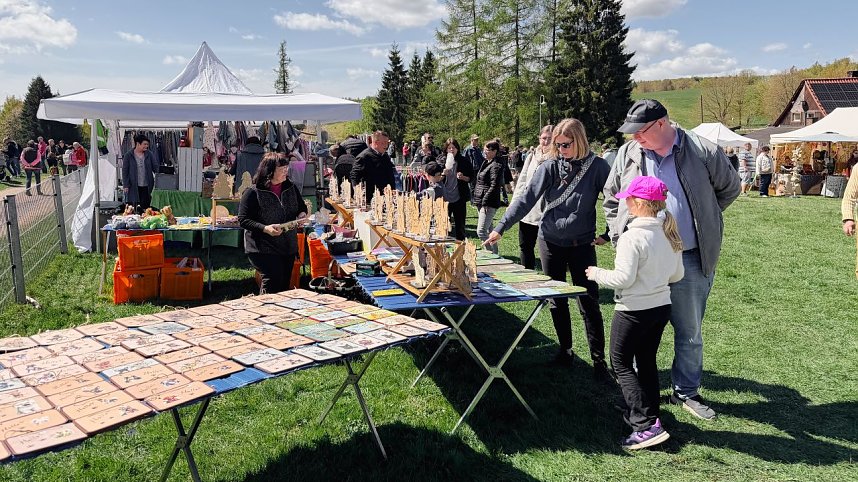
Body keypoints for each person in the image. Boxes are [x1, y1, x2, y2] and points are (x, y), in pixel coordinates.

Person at [605, 99, 740, 420]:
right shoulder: (629, 154)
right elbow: (612, 197)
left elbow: (730, 188)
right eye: (631, 133)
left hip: (689, 261)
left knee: (689, 331)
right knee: (637, 331)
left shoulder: (703, 150)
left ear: (662, 124)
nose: (634, 138)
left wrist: (702, 220)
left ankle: (687, 392)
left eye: (640, 132)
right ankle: (637, 395)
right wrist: (618, 235)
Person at [485, 118, 611, 376]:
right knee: (556, 300)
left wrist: (609, 234)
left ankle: (599, 362)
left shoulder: (598, 167)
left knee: (588, 302)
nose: (561, 150)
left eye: (566, 145)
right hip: (550, 242)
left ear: (580, 140)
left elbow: (615, 199)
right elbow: (526, 198)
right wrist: (501, 227)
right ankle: (565, 351)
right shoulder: (550, 166)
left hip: (582, 245)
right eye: (558, 145)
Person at [586, 176, 683, 450]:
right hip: (660, 307)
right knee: (647, 360)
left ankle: (644, 424)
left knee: (621, 363)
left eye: (628, 199)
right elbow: (678, 273)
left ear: (639, 204)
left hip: (633, 310)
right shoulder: (668, 232)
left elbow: (623, 279)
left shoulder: (632, 237)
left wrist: (596, 274)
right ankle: (651, 415)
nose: (625, 202)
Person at [238, 152, 307, 294]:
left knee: (284, 285)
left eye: (286, 168)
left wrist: (302, 214)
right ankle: (266, 313)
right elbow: (243, 219)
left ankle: (279, 314)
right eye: (282, 169)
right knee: (273, 282)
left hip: (287, 246)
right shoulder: (253, 192)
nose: (286, 172)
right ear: (269, 171)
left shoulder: (291, 187)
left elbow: (301, 206)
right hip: (262, 248)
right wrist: (265, 228)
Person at [513, 125, 553, 269]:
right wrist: (514, 205)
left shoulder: (557, 158)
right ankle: (526, 274)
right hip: (528, 210)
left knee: (549, 250)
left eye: (550, 138)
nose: (546, 141)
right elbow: (522, 181)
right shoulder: (532, 156)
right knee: (525, 246)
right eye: (544, 138)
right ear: (539, 138)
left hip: (547, 211)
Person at [436, 137, 474, 241]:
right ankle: (441, 248)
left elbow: (471, 177)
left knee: (460, 226)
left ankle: (460, 250)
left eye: (454, 148)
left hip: (459, 198)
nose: (452, 150)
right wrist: (443, 173)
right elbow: (435, 179)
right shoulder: (441, 160)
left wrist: (463, 177)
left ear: (457, 149)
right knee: (442, 225)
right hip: (443, 198)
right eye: (449, 148)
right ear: (446, 149)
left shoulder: (464, 161)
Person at [473, 140, 503, 253]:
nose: (485, 152)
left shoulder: (496, 165)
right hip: (481, 200)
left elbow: (494, 185)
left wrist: (485, 201)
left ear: (494, 151)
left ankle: (491, 254)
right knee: (490, 232)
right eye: (484, 149)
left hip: (488, 202)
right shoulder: (487, 162)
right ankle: (496, 255)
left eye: (488, 150)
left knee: (481, 231)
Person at [351, 130, 396, 204]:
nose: (386, 146)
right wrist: (358, 194)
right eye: (383, 143)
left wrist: (392, 188)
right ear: (375, 142)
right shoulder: (364, 156)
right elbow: (354, 176)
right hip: (370, 198)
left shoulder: (385, 156)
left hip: (386, 197)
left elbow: (390, 174)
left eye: (387, 143)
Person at [121, 134, 158, 213]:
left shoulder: (149, 154)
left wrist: (161, 175)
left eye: (147, 144)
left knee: (146, 206)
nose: (146, 146)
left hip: (147, 185)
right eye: (144, 144)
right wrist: (125, 185)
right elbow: (125, 171)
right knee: (134, 207)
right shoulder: (129, 155)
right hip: (133, 185)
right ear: (138, 144)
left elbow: (155, 167)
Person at [463, 134, 486, 200]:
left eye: (477, 140)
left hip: (479, 170)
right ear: (471, 140)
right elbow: (464, 160)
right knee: (472, 186)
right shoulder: (467, 149)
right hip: (472, 170)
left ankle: (478, 198)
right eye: (475, 140)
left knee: (479, 185)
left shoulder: (478, 149)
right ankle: (472, 200)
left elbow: (482, 159)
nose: (477, 141)